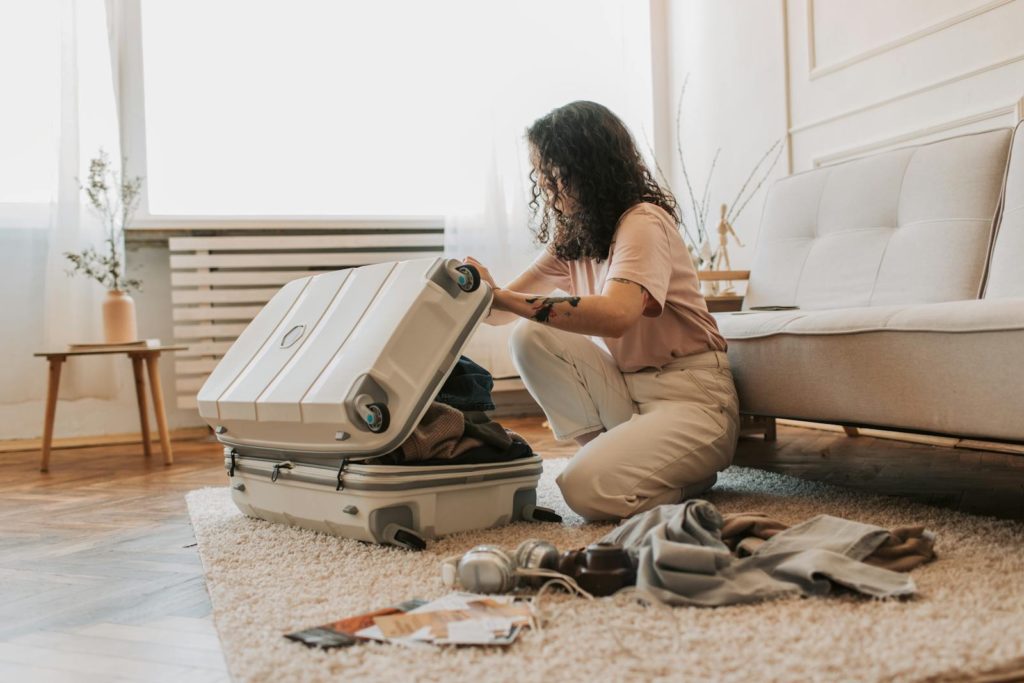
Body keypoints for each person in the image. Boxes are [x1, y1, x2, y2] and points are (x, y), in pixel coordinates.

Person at [464, 101, 740, 522]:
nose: (545, 185)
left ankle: (685, 481)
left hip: (692, 398)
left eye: (551, 173)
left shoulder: (643, 221)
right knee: (529, 334)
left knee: (584, 491)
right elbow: (502, 313)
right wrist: (477, 291)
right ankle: (613, 458)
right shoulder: (574, 239)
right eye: (540, 174)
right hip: (628, 392)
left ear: (586, 167)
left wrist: (504, 299)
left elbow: (617, 313)